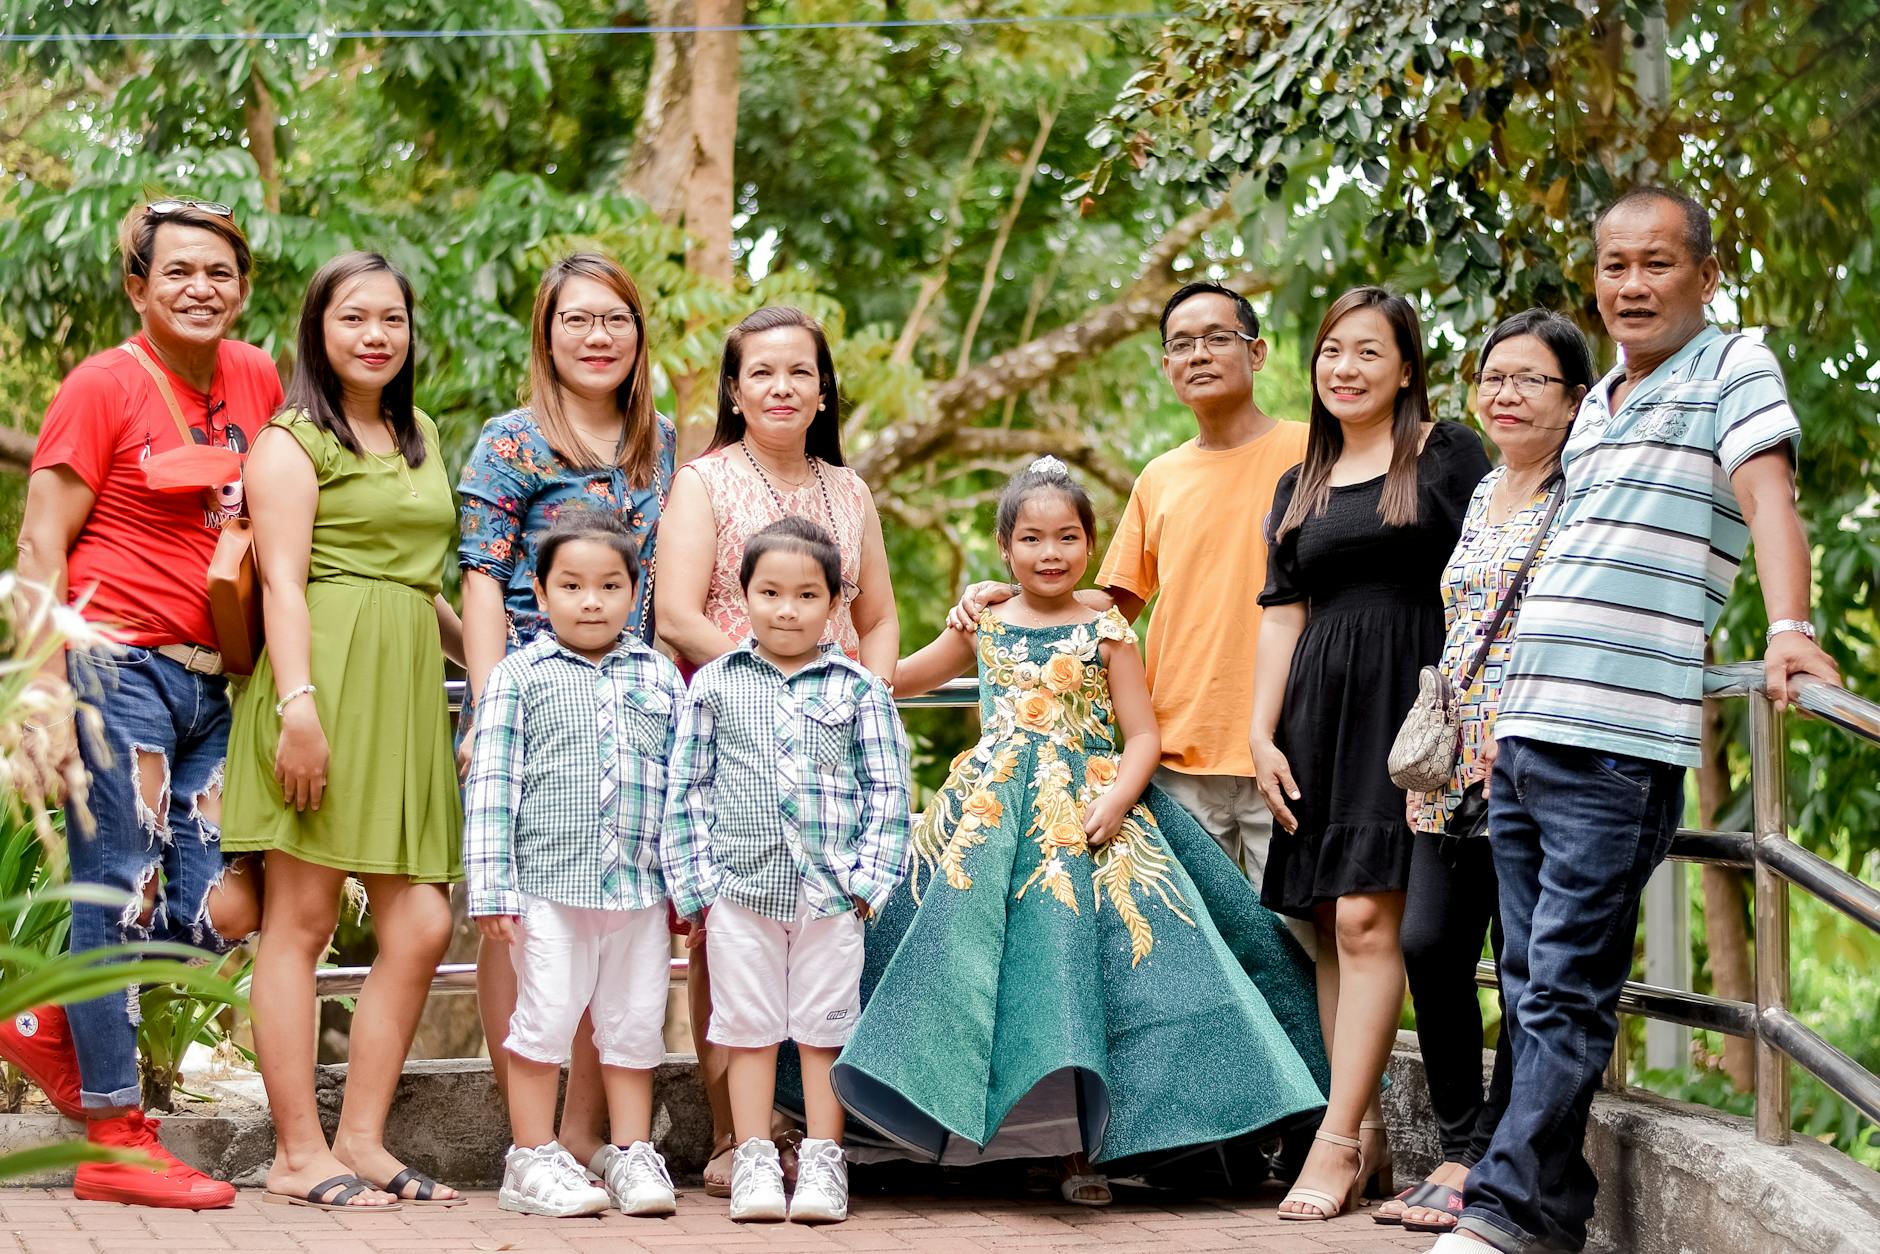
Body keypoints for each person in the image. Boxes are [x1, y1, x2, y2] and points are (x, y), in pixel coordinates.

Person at [1435, 188, 1839, 1254]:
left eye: (1654, 264)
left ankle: (1502, 1214)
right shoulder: (1603, 395)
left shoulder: (1730, 367)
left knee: (1563, 987)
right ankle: (1548, 1206)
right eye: (1612, 265)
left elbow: (1767, 504)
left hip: (1614, 743)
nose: (1629, 284)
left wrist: (1788, 626)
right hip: (1524, 732)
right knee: (1528, 986)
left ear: (1703, 276)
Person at [836, 457, 1329, 1208]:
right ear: (1005, 548)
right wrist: (819, 658)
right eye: (1032, 538)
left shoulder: (1106, 626)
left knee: (1091, 972)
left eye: (1067, 537)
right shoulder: (986, 621)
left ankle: (1084, 1145)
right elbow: (904, 676)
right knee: (971, 966)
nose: (1050, 553)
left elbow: (1140, 735)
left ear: (1091, 544)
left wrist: (1120, 799)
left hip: (1093, 817)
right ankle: (985, 1137)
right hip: (990, 820)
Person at [8, 198, 273, 1209]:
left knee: (218, 900)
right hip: (115, 666)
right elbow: (41, 542)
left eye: (219, 272)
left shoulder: (254, 376)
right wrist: (40, 685)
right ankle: (116, 1139)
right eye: (178, 272)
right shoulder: (102, 385)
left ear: (242, 287)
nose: (200, 288)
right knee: (114, 881)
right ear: (138, 286)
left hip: (219, 676)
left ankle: (43, 1021)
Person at [222, 252, 466, 1211]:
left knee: (421, 919)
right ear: (317, 331)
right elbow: (281, 582)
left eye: (392, 319)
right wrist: (297, 708)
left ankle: (361, 1140)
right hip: (318, 689)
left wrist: (494, 673)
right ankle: (296, 1150)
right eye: (353, 317)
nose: (375, 334)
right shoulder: (293, 441)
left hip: (404, 690)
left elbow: (425, 584)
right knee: (302, 923)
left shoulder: (421, 433)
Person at [1250, 286, 1490, 1221]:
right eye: (1331, 353)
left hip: (1411, 710)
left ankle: (1336, 1139)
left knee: (1365, 920)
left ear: (1405, 368)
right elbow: (1282, 613)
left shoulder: (1445, 452)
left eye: (1367, 353)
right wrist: (1261, 732)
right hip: (1320, 706)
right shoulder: (1300, 480)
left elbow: (1494, 559)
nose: (1344, 370)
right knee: (1328, 925)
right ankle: (1373, 1133)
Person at [950, 282, 1310, 888]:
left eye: (1218, 338)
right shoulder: (1160, 477)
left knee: (1298, 945)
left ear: (1258, 352)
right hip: (1178, 752)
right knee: (1199, 960)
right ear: (1166, 365)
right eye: (1182, 344)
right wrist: (1011, 599)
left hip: (1287, 746)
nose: (1199, 354)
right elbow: (1112, 603)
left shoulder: (1310, 451)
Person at [654, 305, 898, 1194]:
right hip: (731, 722)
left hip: (835, 734)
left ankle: (821, 1140)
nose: (782, 387)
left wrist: (854, 694)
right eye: (762, 372)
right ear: (734, 389)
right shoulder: (704, 483)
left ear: (824, 389)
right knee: (729, 931)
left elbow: (875, 614)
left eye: (800, 372)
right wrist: (774, 680)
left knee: (826, 934)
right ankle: (735, 1138)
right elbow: (677, 615)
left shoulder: (851, 490)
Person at [457, 253, 675, 1181]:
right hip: (531, 696)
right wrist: (482, 700)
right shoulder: (510, 442)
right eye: (577, 320)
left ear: (637, 335)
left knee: (620, 924)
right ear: (547, 335)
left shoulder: (657, 441)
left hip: (628, 696)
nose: (597, 337)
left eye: (614, 320)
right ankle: (531, 1142)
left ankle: (596, 1137)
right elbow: (477, 575)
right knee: (527, 923)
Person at [1380, 310, 1594, 1235]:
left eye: (1529, 380)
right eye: (1492, 377)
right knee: (1430, 944)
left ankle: (1491, 1150)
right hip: (1451, 754)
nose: (1504, 394)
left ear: (1578, 399)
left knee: (1521, 963)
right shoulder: (1486, 491)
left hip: (1531, 749)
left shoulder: (1581, 492)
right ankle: (1464, 1141)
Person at [661, 516, 912, 1225]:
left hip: (832, 896)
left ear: (834, 602)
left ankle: (826, 1163)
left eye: (807, 595)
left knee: (823, 1030)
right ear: (743, 596)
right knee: (746, 1029)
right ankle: (754, 1161)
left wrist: (868, 882)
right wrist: (700, 889)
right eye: (770, 592)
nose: (787, 609)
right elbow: (688, 791)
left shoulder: (860, 690)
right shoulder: (714, 686)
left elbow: (888, 791)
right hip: (741, 893)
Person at [465, 513, 685, 1219]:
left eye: (609, 586)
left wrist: (690, 889)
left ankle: (629, 1152)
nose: (591, 600)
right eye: (571, 585)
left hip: (640, 891)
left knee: (633, 1022)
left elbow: (686, 789)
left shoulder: (658, 675)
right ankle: (530, 1158)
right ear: (539, 590)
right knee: (546, 1017)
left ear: (635, 591)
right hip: (549, 891)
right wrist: (493, 888)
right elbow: (493, 785)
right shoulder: (517, 677)